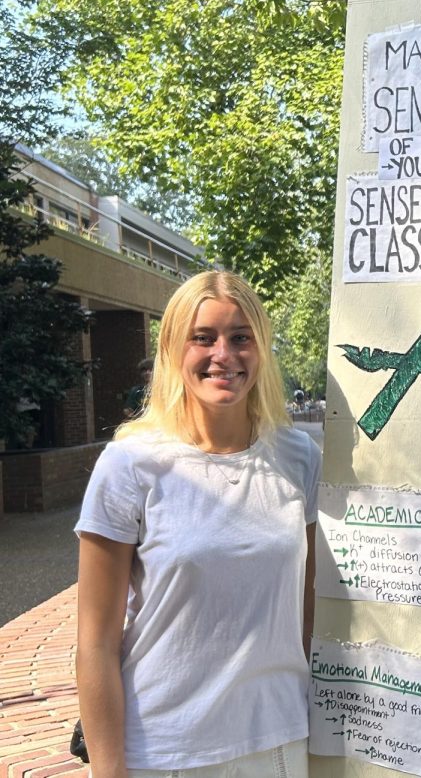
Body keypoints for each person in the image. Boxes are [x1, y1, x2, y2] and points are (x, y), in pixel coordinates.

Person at [76, 271, 322, 778]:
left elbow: (308, 611)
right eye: (203, 338)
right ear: (172, 351)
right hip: (165, 752)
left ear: (261, 348)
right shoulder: (130, 465)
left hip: (279, 742)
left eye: (240, 338)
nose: (223, 355)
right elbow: (94, 644)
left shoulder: (298, 458)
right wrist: (108, 770)